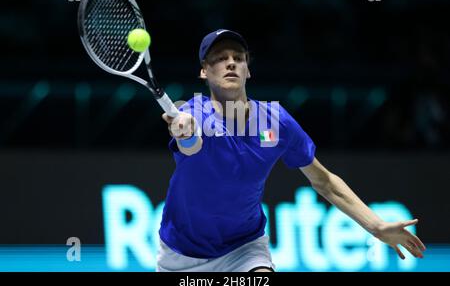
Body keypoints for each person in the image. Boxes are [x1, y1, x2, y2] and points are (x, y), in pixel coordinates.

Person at [156, 29, 426, 272]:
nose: (230, 63)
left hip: (243, 249)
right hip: (181, 255)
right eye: (219, 58)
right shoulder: (193, 112)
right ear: (204, 71)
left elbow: (324, 181)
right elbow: (190, 145)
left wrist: (375, 226)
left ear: (247, 70)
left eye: (238, 57)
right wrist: (186, 132)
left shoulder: (276, 121)